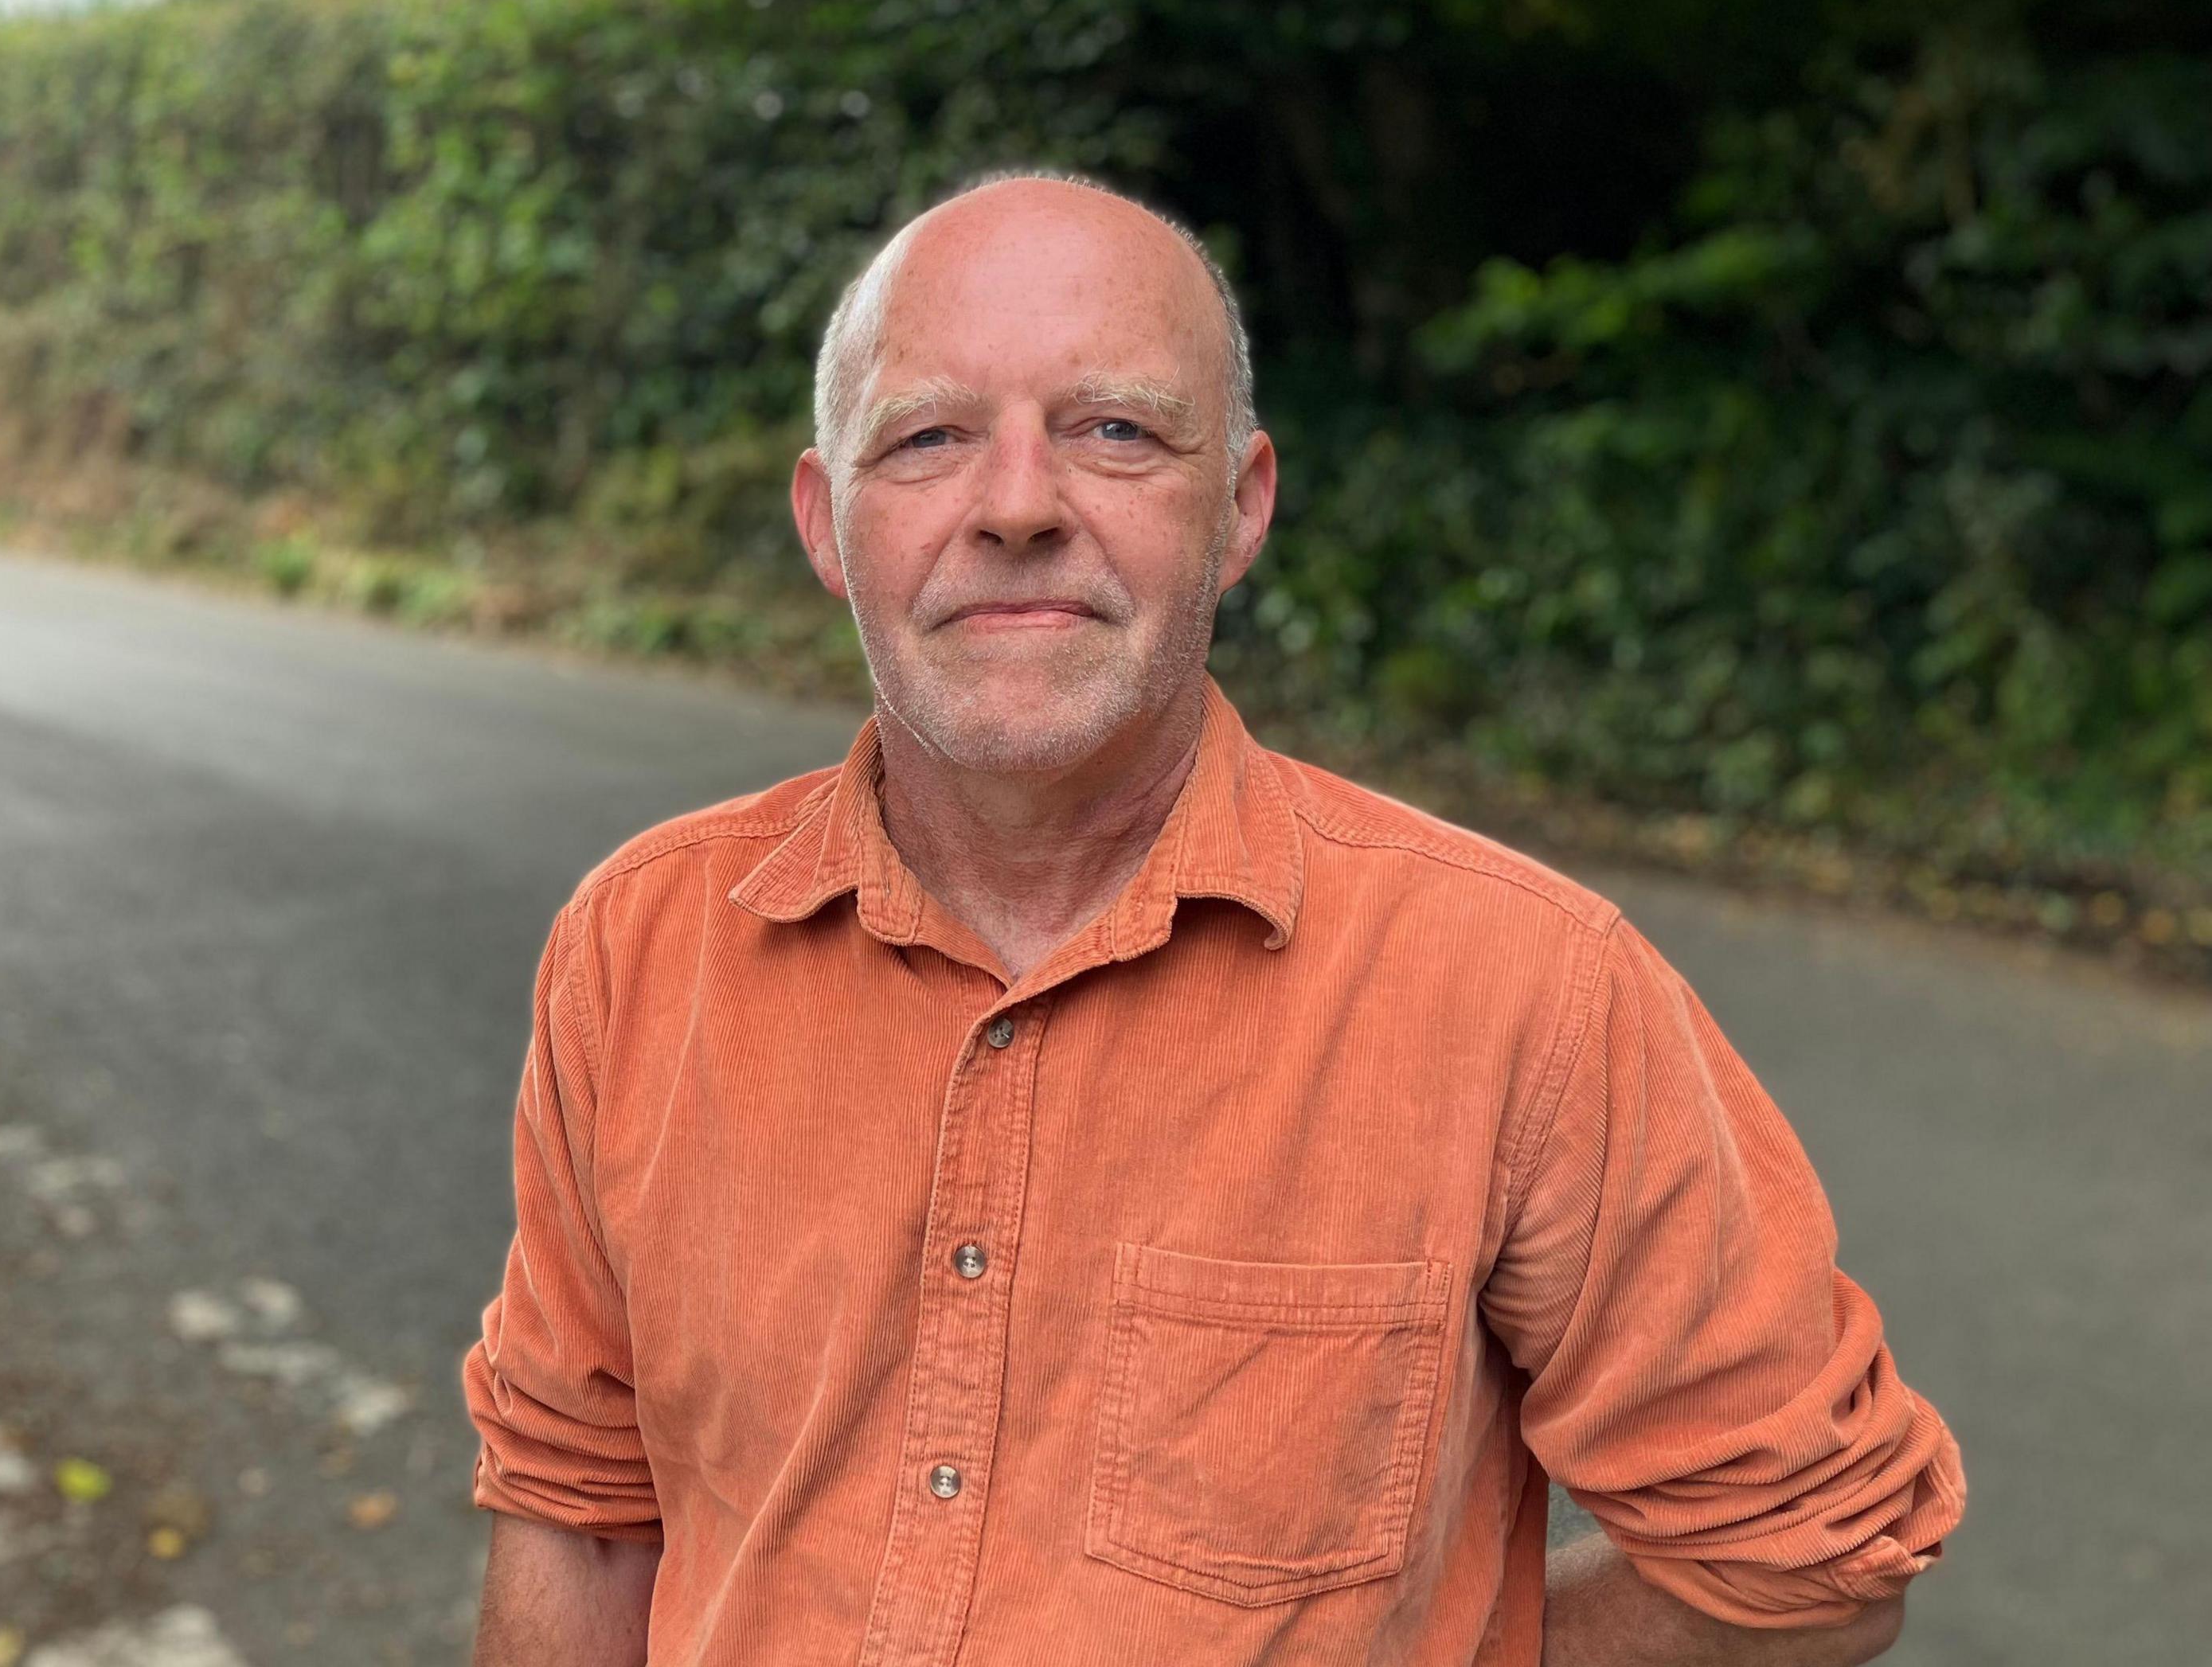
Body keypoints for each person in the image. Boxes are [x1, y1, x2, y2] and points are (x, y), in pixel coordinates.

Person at [459, 174, 1963, 1665]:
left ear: (1240, 508)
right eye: (928, 438)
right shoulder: (642, 946)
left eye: (1115, 431)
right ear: (827, 521)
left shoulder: (1524, 990)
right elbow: (582, 1515)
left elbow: (1802, 1565)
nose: (1020, 506)